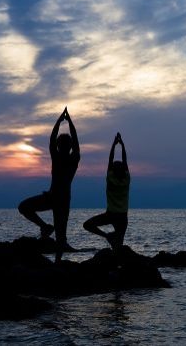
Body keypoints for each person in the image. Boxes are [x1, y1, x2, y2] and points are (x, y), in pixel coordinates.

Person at [18, 107, 80, 262]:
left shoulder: (62, 158)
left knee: (60, 235)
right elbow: (72, 140)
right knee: (59, 234)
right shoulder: (72, 158)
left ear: (60, 147)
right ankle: (46, 229)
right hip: (55, 197)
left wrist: (60, 121)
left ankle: (57, 261)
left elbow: (52, 139)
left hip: (58, 199)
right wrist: (69, 121)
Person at [83, 132, 130, 251]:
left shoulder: (110, 179)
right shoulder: (126, 180)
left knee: (87, 225)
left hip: (111, 214)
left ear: (113, 171)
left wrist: (114, 145)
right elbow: (125, 161)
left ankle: (107, 236)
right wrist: (122, 145)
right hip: (123, 217)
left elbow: (110, 161)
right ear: (124, 171)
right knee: (119, 245)